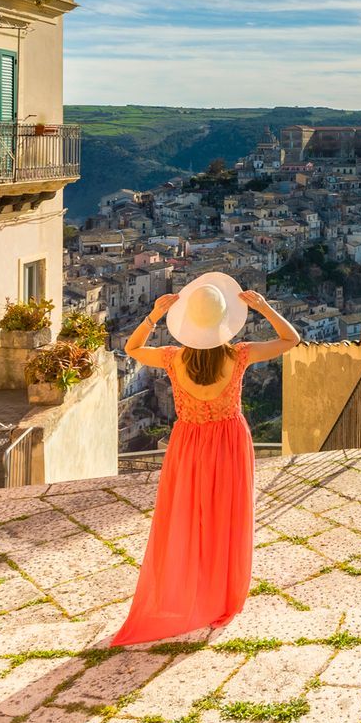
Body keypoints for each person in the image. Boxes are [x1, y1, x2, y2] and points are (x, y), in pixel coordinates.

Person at [110, 272, 300, 645]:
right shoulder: (240, 354)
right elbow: (290, 339)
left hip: (189, 443)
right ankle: (222, 594)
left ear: (188, 325)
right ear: (223, 321)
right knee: (227, 517)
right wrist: (263, 308)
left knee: (189, 516)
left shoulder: (172, 357)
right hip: (229, 440)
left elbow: (132, 350)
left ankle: (191, 589)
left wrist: (152, 316)